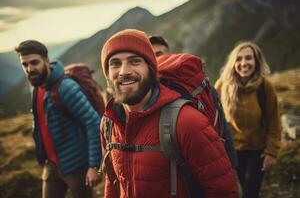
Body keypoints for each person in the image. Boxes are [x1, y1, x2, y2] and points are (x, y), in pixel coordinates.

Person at [100, 29, 238, 198]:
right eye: (115, 63)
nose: (124, 71)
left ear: (151, 69)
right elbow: (112, 181)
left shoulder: (186, 122)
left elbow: (222, 191)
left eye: (134, 61)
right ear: (107, 74)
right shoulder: (109, 123)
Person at [15, 40, 102, 198]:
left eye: (34, 62)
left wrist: (94, 166)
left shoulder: (65, 87)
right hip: (52, 166)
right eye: (24, 64)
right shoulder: (36, 88)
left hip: (77, 166)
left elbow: (93, 122)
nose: (29, 69)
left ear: (46, 61)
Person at [215, 41, 282, 198]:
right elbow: (213, 119)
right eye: (239, 59)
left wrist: (271, 152)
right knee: (231, 192)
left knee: (251, 192)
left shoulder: (265, 87)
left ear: (256, 61)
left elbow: (274, 121)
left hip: (256, 151)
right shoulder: (222, 86)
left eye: (248, 58)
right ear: (233, 63)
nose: (244, 63)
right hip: (230, 151)